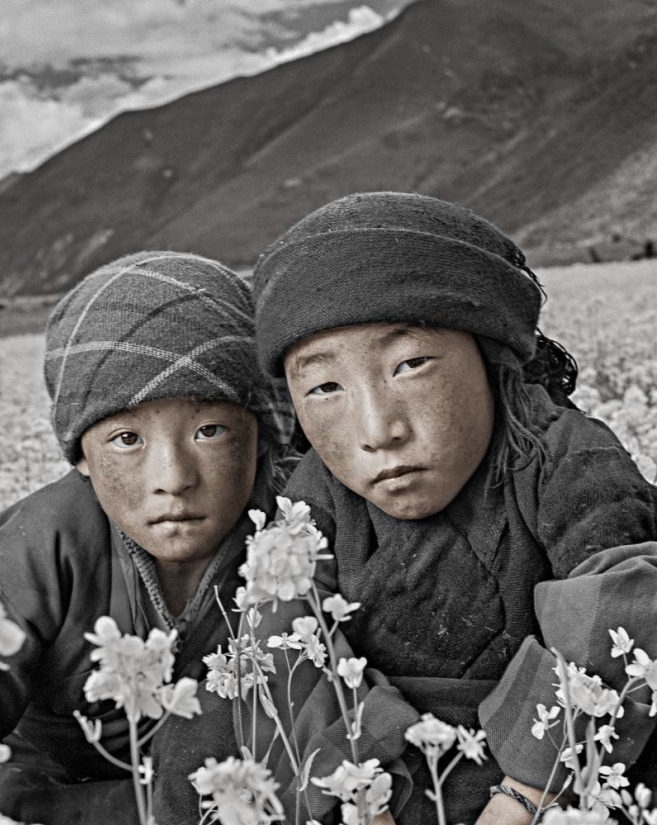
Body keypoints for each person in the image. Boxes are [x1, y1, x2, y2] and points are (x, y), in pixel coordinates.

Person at [251, 192, 657, 824]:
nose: (377, 429)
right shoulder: (315, 495)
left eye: (410, 364)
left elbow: (623, 613)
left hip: (567, 787)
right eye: (325, 386)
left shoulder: (562, 453)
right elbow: (284, 645)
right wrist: (361, 794)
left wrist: (524, 797)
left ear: (491, 357)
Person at [0, 251, 296, 824]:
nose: (173, 479)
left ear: (263, 434)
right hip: (51, 800)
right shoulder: (33, 551)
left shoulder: (297, 526)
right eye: (125, 439)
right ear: (81, 455)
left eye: (209, 430)